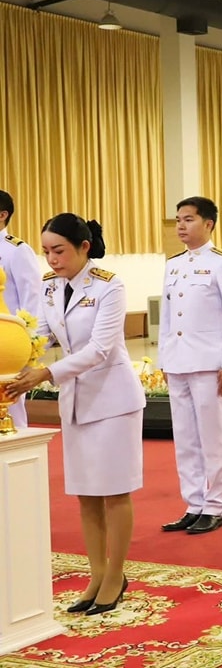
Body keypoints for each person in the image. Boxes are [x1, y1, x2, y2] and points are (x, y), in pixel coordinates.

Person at [7, 214, 143, 615]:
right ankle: (96, 573)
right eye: (46, 251)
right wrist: (15, 351)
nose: (51, 259)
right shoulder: (51, 289)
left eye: (59, 250)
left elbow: (100, 348)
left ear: (83, 247)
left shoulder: (108, 285)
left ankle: (116, 575)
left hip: (114, 400)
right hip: (77, 400)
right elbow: (44, 335)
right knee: (86, 494)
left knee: (114, 491)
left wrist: (45, 372)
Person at [158, 197, 222, 535]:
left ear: (208, 224)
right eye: (179, 219)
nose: (181, 225)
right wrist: (165, 358)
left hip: (209, 364)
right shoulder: (174, 264)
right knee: (184, 437)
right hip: (178, 361)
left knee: (211, 437)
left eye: (189, 219)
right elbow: (167, 317)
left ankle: (214, 505)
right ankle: (193, 503)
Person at [0, 190, 42, 429]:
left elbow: (32, 297)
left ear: (2, 215)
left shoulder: (16, 250)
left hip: (8, 342)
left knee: (10, 405)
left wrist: (29, 342)